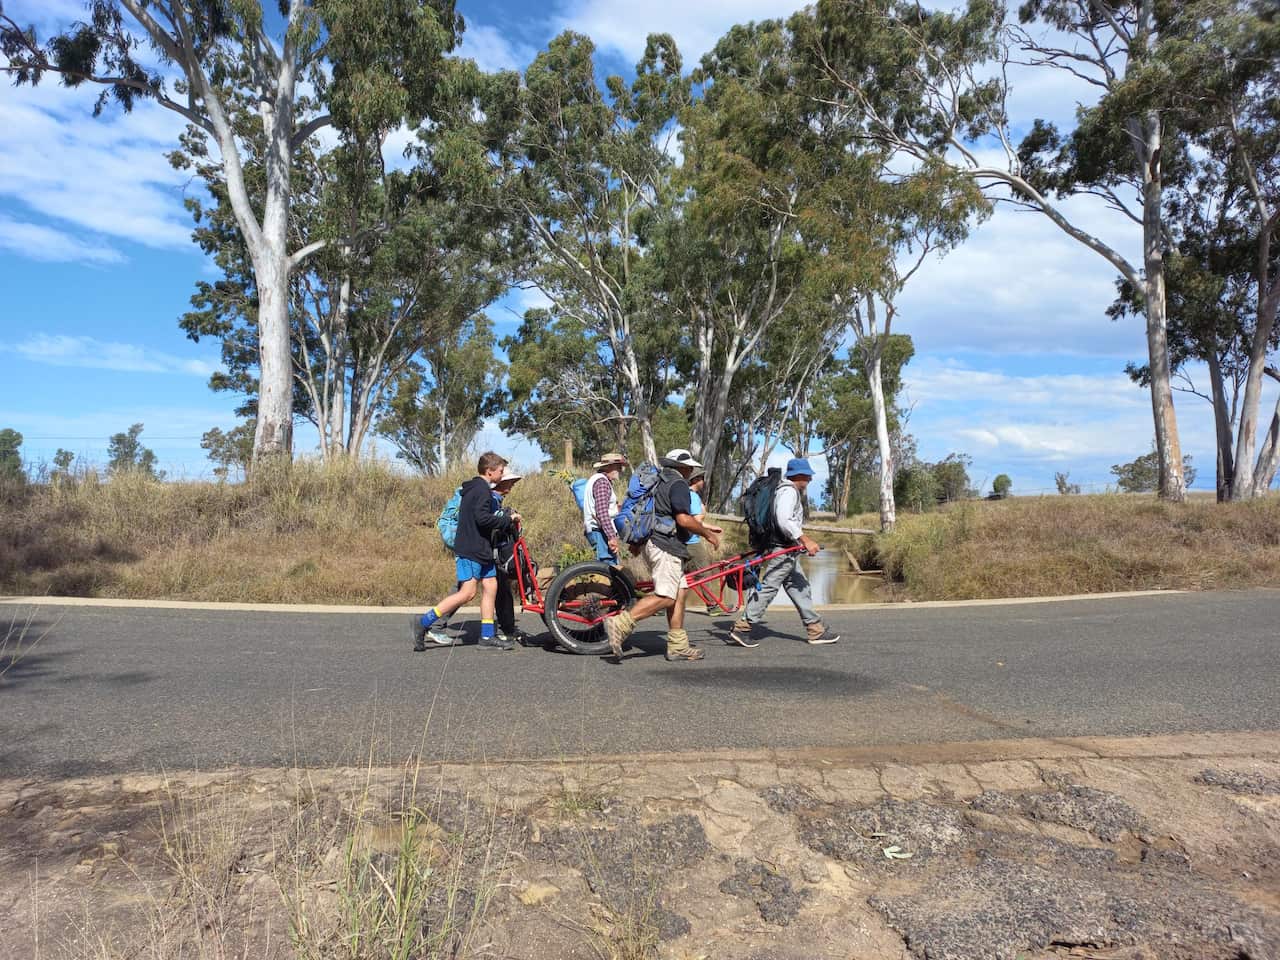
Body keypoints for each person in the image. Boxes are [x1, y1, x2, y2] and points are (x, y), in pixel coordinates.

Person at [603, 448, 723, 663]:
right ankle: (621, 623)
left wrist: (639, 543)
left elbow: (654, 514)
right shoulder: (678, 484)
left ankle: (677, 646)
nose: (691, 471)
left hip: (657, 543)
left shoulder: (659, 482)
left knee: (679, 592)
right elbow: (684, 519)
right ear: (685, 468)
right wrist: (707, 534)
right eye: (690, 468)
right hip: (666, 545)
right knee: (666, 596)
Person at [412, 452, 520, 652]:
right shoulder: (481, 490)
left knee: (490, 586)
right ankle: (423, 621)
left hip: (482, 548)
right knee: (467, 593)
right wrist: (507, 519)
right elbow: (482, 519)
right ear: (490, 471)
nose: (503, 475)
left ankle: (487, 636)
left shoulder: (477, 488)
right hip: (471, 549)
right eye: (501, 471)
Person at [730, 458, 840, 647]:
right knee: (769, 588)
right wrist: (805, 539)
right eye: (808, 475)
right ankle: (743, 627)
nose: (810, 479)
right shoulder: (789, 491)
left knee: (800, 587)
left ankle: (815, 628)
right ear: (799, 475)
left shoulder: (783, 490)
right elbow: (784, 520)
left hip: (786, 549)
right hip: (782, 549)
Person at [583, 453, 627, 564]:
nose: (620, 469)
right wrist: (612, 537)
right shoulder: (602, 482)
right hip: (600, 532)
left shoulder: (598, 480)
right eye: (617, 466)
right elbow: (602, 513)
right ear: (608, 467)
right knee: (608, 569)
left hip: (598, 531)